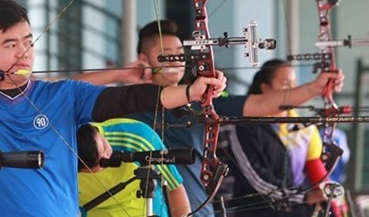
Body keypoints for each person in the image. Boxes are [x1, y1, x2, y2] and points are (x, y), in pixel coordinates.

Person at [0, 0, 226, 217]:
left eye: (29, 42)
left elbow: (126, 99)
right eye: (10, 45)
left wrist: (190, 92)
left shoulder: (63, 96)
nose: (24, 53)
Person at [74, 19, 345, 216]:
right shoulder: (122, 102)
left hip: (197, 209)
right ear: (144, 59)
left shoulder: (201, 100)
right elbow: (66, 93)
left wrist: (314, 88)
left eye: (180, 55)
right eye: (166, 56)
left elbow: (264, 103)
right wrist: (122, 74)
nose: (177, 61)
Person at [227, 59, 341, 216]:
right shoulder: (245, 125)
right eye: (285, 84)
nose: (293, 90)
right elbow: (257, 181)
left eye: (294, 83)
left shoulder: (304, 128)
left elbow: (317, 174)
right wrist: (304, 197)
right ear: (265, 88)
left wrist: (334, 208)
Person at [77, 118, 190, 217]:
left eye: (104, 145)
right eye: (101, 162)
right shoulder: (63, 165)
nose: (108, 154)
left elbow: (174, 189)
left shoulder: (139, 137)